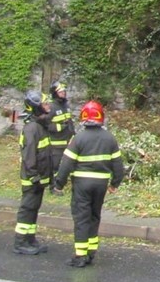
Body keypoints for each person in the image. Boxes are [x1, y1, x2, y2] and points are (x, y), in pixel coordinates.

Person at [52, 100, 124, 268]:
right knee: (94, 216)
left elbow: (66, 164)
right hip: (101, 185)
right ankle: (91, 252)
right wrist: (115, 183)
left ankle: (80, 255)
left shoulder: (78, 138)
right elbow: (118, 166)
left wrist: (59, 184)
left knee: (81, 218)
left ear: (83, 117)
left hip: (82, 184)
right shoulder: (110, 138)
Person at [13, 90, 52, 255]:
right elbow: (29, 156)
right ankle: (20, 242)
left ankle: (30, 239)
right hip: (32, 179)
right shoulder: (31, 129)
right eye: (45, 104)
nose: (48, 106)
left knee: (34, 209)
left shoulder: (39, 126)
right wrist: (34, 175)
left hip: (39, 178)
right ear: (37, 107)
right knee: (27, 208)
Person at [46, 80, 76, 191]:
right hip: (56, 143)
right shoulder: (51, 107)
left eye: (64, 91)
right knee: (55, 166)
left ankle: (70, 185)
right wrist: (60, 127)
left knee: (70, 163)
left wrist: (73, 133)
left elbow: (69, 121)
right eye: (60, 92)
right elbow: (46, 124)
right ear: (55, 93)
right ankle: (53, 187)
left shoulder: (65, 105)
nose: (63, 93)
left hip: (67, 141)